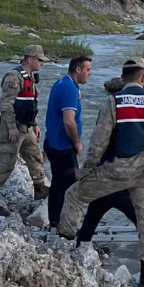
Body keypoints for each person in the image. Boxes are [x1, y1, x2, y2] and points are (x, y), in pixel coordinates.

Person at [58, 57, 144, 287]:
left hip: (117, 170)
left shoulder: (112, 103)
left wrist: (86, 171)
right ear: (143, 78)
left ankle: (64, 245)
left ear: (122, 79)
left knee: (74, 194)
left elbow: (98, 143)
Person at [0, 44, 51, 216]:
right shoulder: (14, 77)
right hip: (13, 127)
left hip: (26, 126)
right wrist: (11, 128)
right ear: (30, 59)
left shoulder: (31, 78)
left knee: (35, 155)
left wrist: (35, 125)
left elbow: (31, 104)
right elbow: (6, 104)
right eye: (39, 60)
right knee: (6, 162)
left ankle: (40, 187)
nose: (42, 63)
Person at [44, 55, 92, 228]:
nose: (90, 74)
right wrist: (77, 143)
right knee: (69, 186)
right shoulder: (70, 89)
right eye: (88, 70)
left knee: (58, 182)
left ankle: (55, 220)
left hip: (53, 142)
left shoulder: (62, 83)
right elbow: (69, 121)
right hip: (63, 146)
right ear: (78, 70)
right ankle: (63, 223)